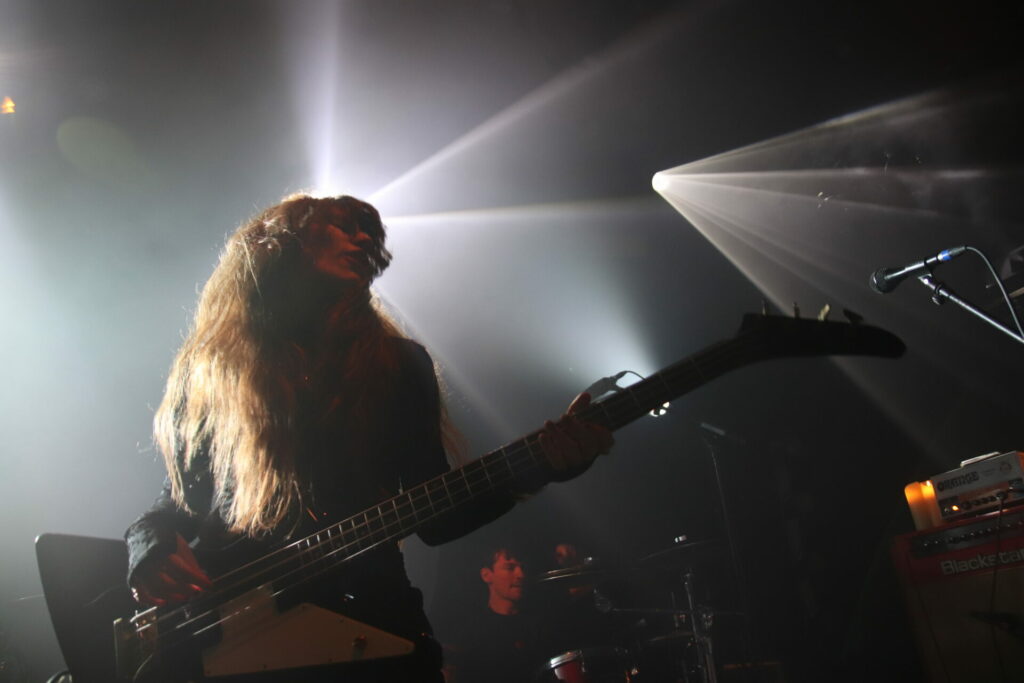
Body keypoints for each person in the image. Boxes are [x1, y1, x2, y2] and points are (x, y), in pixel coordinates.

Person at [123, 194, 613, 682]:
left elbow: (437, 518)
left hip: (372, 626)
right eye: (341, 225)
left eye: (369, 233)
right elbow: (181, 499)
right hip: (236, 637)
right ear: (279, 243)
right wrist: (147, 545)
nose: (361, 239)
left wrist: (543, 465)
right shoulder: (217, 373)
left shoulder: (398, 365)